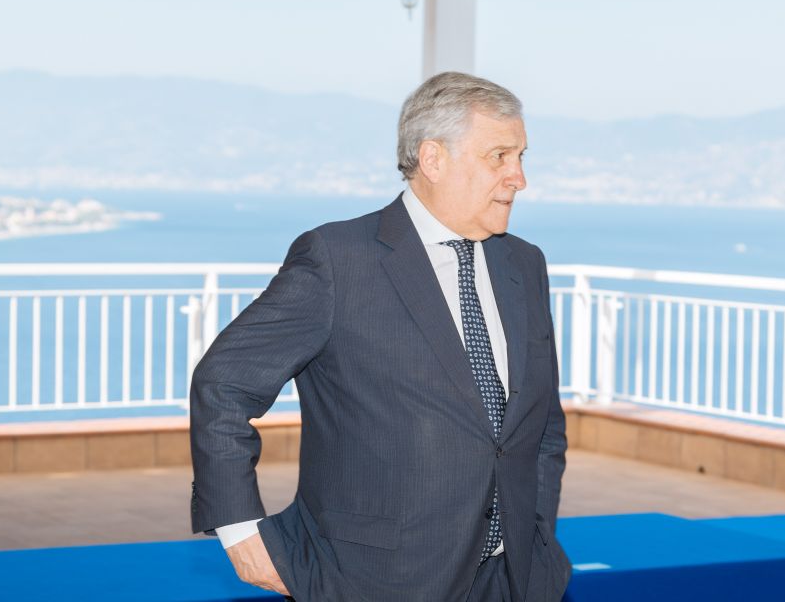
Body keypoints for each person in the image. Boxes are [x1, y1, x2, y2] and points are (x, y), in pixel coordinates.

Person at [189, 71, 570, 601]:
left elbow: (541, 424)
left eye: (521, 156)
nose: (519, 178)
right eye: (499, 157)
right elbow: (223, 384)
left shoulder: (524, 264)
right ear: (433, 158)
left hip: (513, 581)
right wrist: (239, 532)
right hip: (376, 580)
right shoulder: (338, 259)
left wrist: (538, 537)